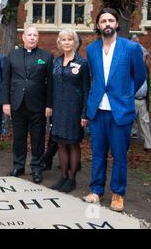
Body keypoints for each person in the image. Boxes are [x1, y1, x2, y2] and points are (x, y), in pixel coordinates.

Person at [82, 8, 146, 212]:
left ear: (117, 24)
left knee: (119, 155)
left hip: (121, 111)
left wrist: (126, 94)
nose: (107, 24)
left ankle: (118, 194)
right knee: (98, 153)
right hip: (98, 111)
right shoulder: (92, 49)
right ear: (98, 25)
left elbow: (140, 76)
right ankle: (96, 190)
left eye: (111, 20)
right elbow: (94, 76)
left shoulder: (131, 48)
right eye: (103, 21)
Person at [3, 26, 53, 184]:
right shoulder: (12, 55)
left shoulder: (46, 56)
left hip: (38, 105)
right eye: (29, 35)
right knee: (18, 138)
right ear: (23, 37)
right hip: (17, 104)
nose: (32, 38)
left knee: (37, 138)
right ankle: (18, 166)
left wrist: (49, 105)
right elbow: (6, 80)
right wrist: (5, 102)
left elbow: (51, 84)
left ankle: (37, 168)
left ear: (38, 38)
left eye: (35, 35)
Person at [49, 29, 90, 193]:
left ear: (75, 42)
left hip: (74, 110)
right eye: (63, 40)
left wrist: (84, 114)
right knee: (60, 144)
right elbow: (51, 87)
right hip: (58, 110)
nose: (66, 42)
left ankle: (72, 178)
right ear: (60, 42)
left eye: (69, 39)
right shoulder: (56, 62)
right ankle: (63, 176)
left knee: (73, 144)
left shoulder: (82, 63)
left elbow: (87, 90)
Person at [130, 35, 151, 153]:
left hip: (142, 99)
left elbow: (147, 84)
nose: (143, 57)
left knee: (145, 122)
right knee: (128, 122)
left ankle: (148, 145)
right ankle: (125, 146)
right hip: (132, 99)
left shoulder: (145, 67)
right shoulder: (130, 67)